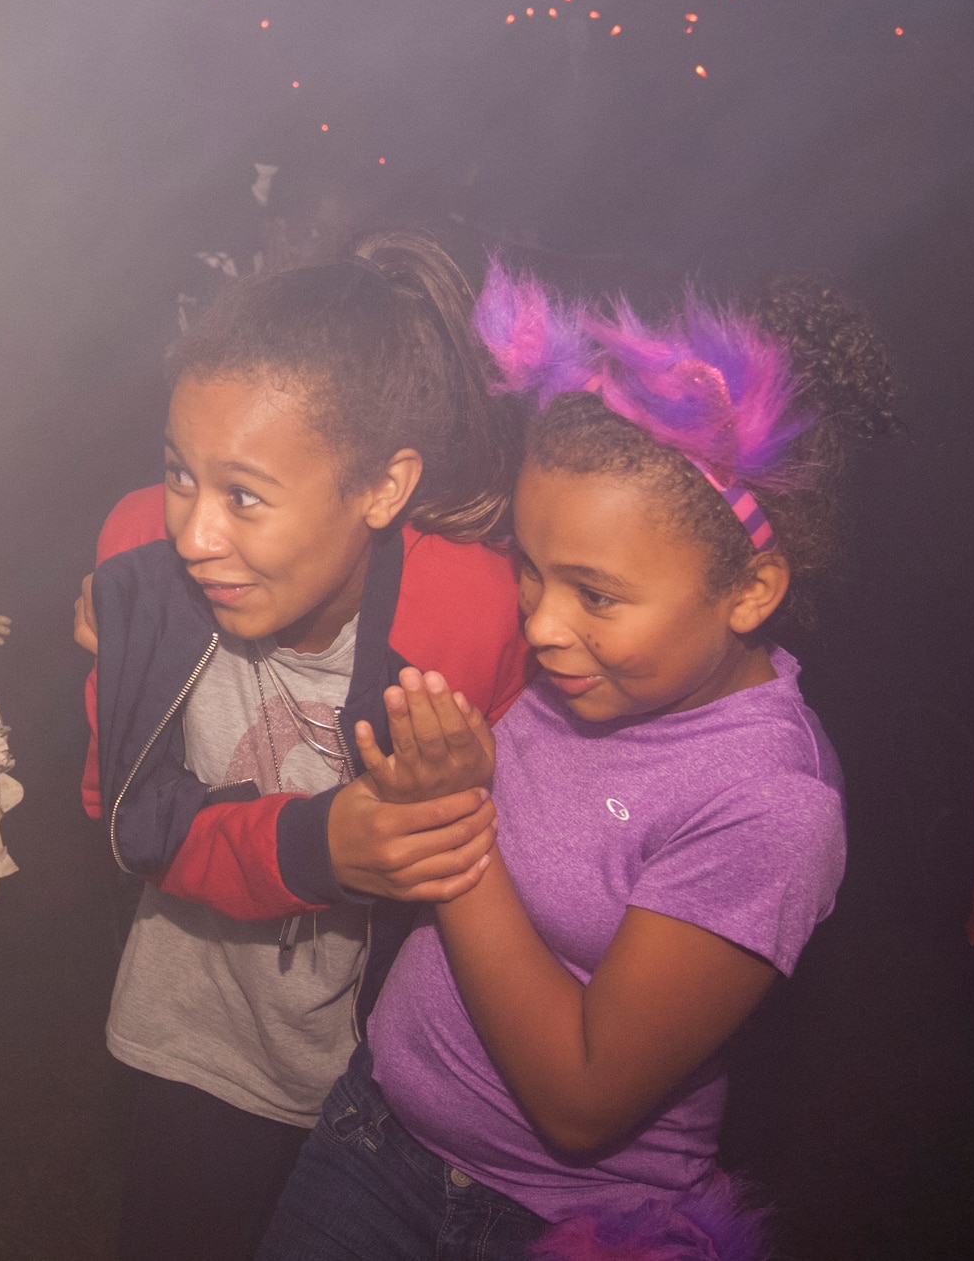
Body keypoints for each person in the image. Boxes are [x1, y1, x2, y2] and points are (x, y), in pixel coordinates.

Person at [257, 269, 898, 1261]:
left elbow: (580, 1099)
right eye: (530, 568)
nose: (541, 623)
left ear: (749, 587)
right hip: (371, 1138)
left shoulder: (769, 801)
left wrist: (453, 818)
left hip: (546, 1226)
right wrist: (151, 614)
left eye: (594, 595)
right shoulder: (582, 673)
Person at [73, 231, 534, 1260]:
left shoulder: (474, 615)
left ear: (381, 487)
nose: (194, 530)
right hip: (196, 1050)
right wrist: (324, 844)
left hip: (395, 1095)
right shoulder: (138, 556)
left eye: (242, 493)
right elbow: (130, 816)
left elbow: (536, 859)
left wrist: (466, 799)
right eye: (177, 473)